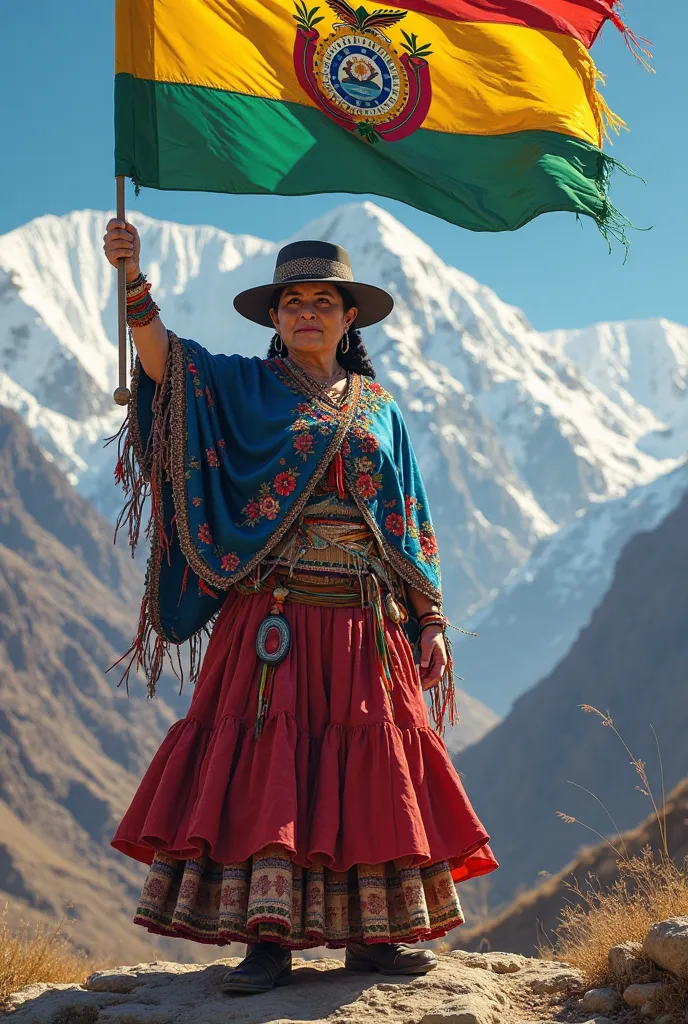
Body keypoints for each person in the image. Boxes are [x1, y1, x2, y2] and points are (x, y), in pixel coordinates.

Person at [103, 219, 498, 994]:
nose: (307, 312)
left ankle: (375, 938)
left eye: (324, 300)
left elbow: (411, 520)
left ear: (351, 319)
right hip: (273, 620)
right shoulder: (242, 387)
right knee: (266, 763)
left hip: (369, 621)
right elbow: (165, 364)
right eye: (292, 302)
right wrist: (130, 277)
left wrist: (431, 620)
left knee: (375, 766)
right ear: (275, 319)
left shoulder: (381, 408)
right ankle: (266, 941)